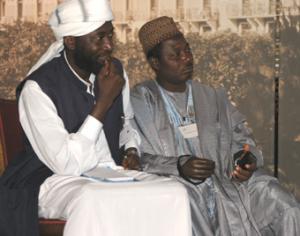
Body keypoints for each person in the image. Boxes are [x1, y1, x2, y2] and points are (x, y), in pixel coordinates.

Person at [0, 3, 192, 236]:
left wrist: (131, 150)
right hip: (49, 180)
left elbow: (127, 122)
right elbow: (66, 165)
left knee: (174, 191)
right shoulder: (38, 88)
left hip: (106, 173)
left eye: (110, 35)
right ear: (71, 41)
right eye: (99, 38)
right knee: (93, 198)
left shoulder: (115, 71)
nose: (109, 45)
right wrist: (102, 103)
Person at [131, 16, 300, 236]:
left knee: (282, 203)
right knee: (185, 202)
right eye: (175, 55)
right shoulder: (142, 99)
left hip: (228, 182)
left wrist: (244, 158)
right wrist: (178, 166)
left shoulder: (212, 96)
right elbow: (135, 158)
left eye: (188, 50)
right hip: (180, 188)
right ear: (155, 63)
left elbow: (243, 140)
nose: (187, 58)